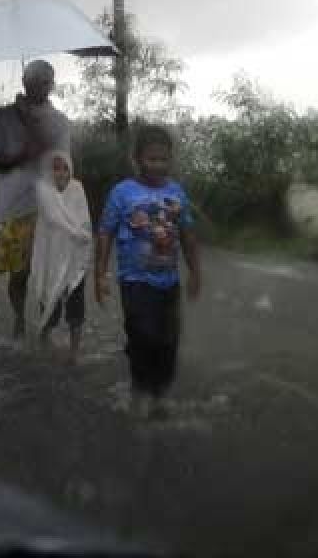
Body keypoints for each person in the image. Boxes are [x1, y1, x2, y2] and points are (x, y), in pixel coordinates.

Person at [95, 124, 203, 420]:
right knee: (143, 336)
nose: (158, 165)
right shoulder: (122, 193)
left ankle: (158, 395)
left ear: (171, 160)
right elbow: (105, 232)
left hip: (168, 281)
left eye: (164, 159)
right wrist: (100, 274)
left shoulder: (176, 192)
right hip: (135, 281)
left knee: (168, 340)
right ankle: (140, 388)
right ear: (137, 159)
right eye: (152, 159)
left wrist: (195, 272)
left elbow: (187, 233)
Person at [0, 59, 72, 340]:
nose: (42, 85)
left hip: (50, 207)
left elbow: (66, 166)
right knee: (19, 274)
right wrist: (22, 154)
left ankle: (46, 326)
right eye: (36, 79)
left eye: (47, 80)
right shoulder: (2, 117)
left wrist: (61, 182)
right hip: (16, 206)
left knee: (50, 271)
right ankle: (20, 318)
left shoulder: (59, 121)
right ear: (24, 81)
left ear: (52, 84)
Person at [28, 150, 93, 365]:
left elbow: (84, 220)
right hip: (50, 254)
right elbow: (52, 219)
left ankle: (74, 350)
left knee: (75, 301)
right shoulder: (43, 190)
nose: (61, 173)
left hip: (73, 255)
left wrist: (80, 234)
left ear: (70, 169)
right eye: (56, 167)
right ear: (49, 170)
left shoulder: (78, 188)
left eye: (65, 167)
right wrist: (76, 231)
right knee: (50, 298)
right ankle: (44, 336)